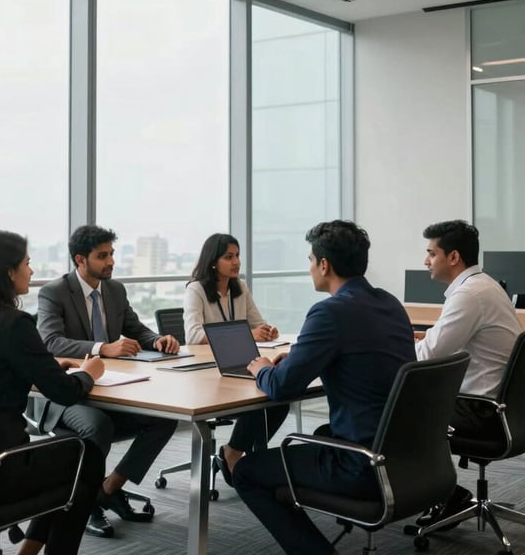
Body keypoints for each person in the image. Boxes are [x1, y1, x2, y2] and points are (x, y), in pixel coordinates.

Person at [233, 220, 416, 555]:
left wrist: (261, 368)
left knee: (246, 471)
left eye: (310, 260)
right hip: (406, 456)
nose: (309, 267)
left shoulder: (330, 312)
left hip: (362, 464)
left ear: (324, 265)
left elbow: (282, 387)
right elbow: (358, 354)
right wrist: (300, 356)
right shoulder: (390, 303)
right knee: (321, 433)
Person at [0, 229, 106, 555]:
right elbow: (65, 393)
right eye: (26, 263)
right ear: (8, 272)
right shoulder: (14, 323)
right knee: (87, 458)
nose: (32, 270)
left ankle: (27, 552)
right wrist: (88, 373)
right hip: (3, 466)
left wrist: (45, 366)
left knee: (68, 464)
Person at [37, 225, 179, 538]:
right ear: (80, 259)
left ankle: (106, 490)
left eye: (112, 254)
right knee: (97, 426)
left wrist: (157, 340)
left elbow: (136, 328)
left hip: (111, 388)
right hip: (68, 395)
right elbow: (50, 342)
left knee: (163, 419)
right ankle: (84, 505)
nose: (111, 261)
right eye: (102, 256)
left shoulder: (115, 290)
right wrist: (102, 348)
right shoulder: (54, 292)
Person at [413, 220, 522, 528]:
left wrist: (398, 346)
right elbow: (450, 343)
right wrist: (427, 338)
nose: (426, 261)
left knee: (400, 415)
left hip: (483, 411)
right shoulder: (485, 285)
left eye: (431, 253)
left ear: (453, 257)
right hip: (509, 410)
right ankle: (445, 493)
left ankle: (446, 494)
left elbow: (428, 356)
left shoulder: (469, 295)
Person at [183, 232, 288, 484]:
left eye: (237, 255)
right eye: (229, 257)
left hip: (241, 363)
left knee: (278, 399)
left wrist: (266, 331)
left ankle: (235, 452)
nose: (236, 262)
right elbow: (193, 335)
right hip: (209, 371)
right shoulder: (196, 289)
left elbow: (257, 322)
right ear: (213, 261)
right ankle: (234, 455)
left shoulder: (239, 288)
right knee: (257, 399)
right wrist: (248, 334)